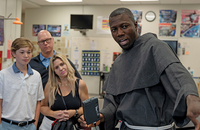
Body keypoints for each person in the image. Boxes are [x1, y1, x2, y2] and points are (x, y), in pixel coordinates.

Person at [79, 7, 200, 130]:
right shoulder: (118, 63)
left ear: (135, 25)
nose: (119, 33)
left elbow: (177, 74)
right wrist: (102, 116)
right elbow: (113, 103)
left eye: (124, 26)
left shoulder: (155, 47)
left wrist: (191, 96)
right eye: (114, 29)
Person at [29, 30, 81, 129]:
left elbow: (77, 84)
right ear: (38, 44)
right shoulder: (31, 64)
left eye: (48, 40)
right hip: (36, 111)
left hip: (60, 114)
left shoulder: (65, 63)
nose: (45, 43)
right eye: (42, 41)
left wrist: (75, 111)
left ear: (52, 40)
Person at [0, 37, 44, 130]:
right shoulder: (3, 74)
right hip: (7, 125)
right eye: (22, 52)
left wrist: (35, 124)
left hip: (29, 126)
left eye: (29, 52)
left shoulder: (36, 76)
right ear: (13, 53)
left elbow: (38, 102)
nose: (26, 56)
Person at [39, 53, 90, 130]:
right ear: (54, 72)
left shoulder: (80, 84)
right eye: (56, 67)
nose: (60, 68)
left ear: (67, 64)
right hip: (50, 126)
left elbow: (86, 108)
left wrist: (74, 112)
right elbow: (43, 107)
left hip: (72, 126)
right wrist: (53, 114)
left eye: (62, 64)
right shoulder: (50, 86)